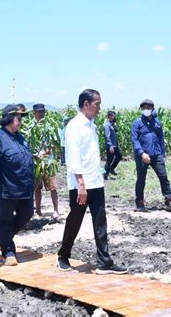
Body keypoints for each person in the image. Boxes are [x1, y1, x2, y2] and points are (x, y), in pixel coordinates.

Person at [57, 89, 127, 275]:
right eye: (97, 104)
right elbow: (73, 158)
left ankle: (104, 262)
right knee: (75, 220)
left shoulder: (91, 125)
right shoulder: (74, 126)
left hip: (95, 182)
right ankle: (63, 256)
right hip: (81, 184)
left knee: (100, 221)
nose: (99, 108)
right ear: (86, 104)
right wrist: (80, 184)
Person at [0, 105, 34, 266]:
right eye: (18, 118)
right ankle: (8, 252)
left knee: (26, 214)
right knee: (4, 220)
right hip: (7, 189)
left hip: (24, 188)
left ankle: (2, 237)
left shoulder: (20, 137)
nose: (21, 122)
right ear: (9, 119)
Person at [131, 99, 171, 212]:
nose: (146, 109)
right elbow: (134, 140)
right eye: (144, 107)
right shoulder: (137, 122)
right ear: (141, 109)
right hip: (142, 155)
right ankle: (140, 203)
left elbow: (161, 138)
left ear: (152, 108)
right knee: (141, 179)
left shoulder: (157, 122)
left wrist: (162, 154)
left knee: (163, 176)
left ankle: (168, 201)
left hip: (156, 154)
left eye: (149, 107)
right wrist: (142, 153)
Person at [32, 103, 60, 219]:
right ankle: (38, 210)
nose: (41, 114)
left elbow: (54, 144)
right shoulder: (31, 127)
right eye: (38, 112)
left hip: (48, 162)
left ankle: (56, 210)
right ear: (34, 113)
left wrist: (45, 153)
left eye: (42, 112)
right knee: (37, 188)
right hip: (36, 163)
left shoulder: (50, 126)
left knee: (53, 187)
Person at [103, 111, 122, 180]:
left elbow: (116, 131)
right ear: (109, 116)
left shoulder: (112, 124)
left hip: (115, 145)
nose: (115, 117)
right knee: (109, 160)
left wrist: (114, 124)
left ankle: (111, 169)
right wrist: (110, 146)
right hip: (110, 146)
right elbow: (107, 136)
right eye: (113, 116)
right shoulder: (106, 125)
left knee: (119, 156)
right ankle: (105, 175)